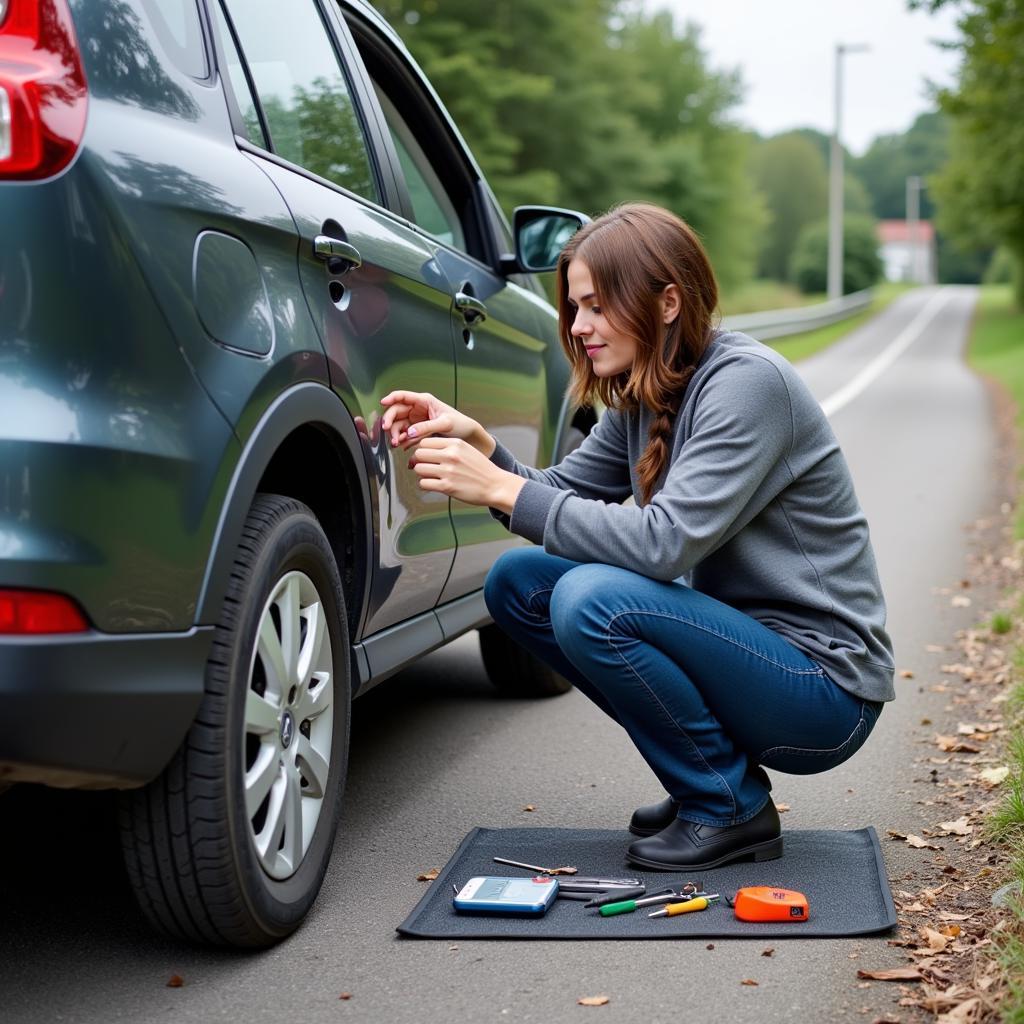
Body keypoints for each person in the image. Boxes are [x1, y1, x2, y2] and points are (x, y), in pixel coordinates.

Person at [379, 202, 894, 871]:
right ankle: (707, 782)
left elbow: (664, 544)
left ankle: (729, 806)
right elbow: (561, 496)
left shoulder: (746, 384)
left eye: (595, 306)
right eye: (573, 308)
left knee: (592, 599)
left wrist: (503, 489)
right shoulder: (648, 392)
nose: (578, 326)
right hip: (747, 654)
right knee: (519, 583)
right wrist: (484, 448)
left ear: (669, 301)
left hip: (824, 691)